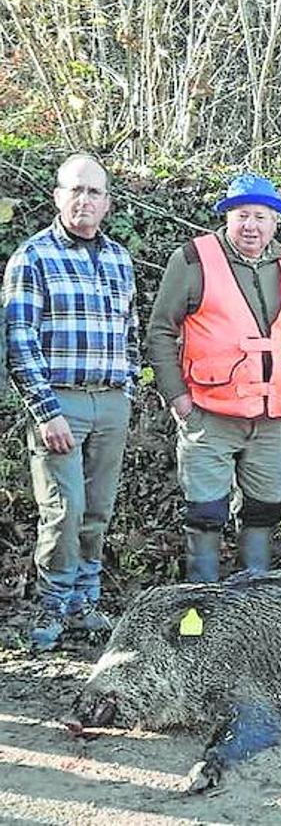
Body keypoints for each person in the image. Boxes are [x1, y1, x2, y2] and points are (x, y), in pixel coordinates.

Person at [3, 153, 138, 650]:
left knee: (99, 509)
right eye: (75, 190)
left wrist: (128, 389)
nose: (84, 200)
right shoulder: (33, 257)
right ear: (58, 196)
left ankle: (85, 602)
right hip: (60, 403)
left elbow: (130, 333)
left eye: (94, 192)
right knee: (64, 510)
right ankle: (53, 604)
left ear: (107, 202)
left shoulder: (120, 258)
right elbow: (19, 341)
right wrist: (46, 411)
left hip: (110, 402)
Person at [146, 174, 281, 581]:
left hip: (275, 416)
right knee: (205, 512)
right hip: (209, 411)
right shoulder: (193, 259)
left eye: (260, 216)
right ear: (226, 217)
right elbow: (161, 329)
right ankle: (201, 603)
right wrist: (176, 395)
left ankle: (252, 602)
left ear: (276, 221)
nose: (250, 226)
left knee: (264, 508)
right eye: (241, 215)